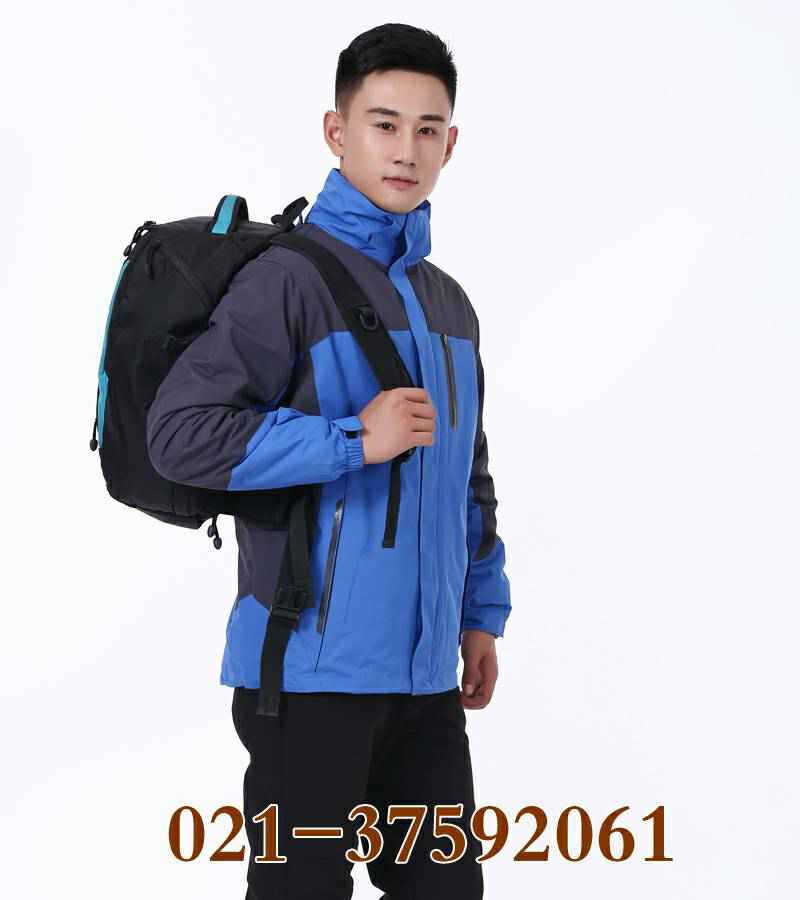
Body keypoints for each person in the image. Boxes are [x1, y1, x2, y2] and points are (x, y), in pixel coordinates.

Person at [146, 22, 511, 900]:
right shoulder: (287, 280)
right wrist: (353, 439)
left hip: (424, 684)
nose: (406, 150)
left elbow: (468, 477)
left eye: (428, 129)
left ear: (452, 144)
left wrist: (480, 613)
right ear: (336, 131)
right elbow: (180, 432)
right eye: (384, 125)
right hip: (306, 681)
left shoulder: (449, 305)